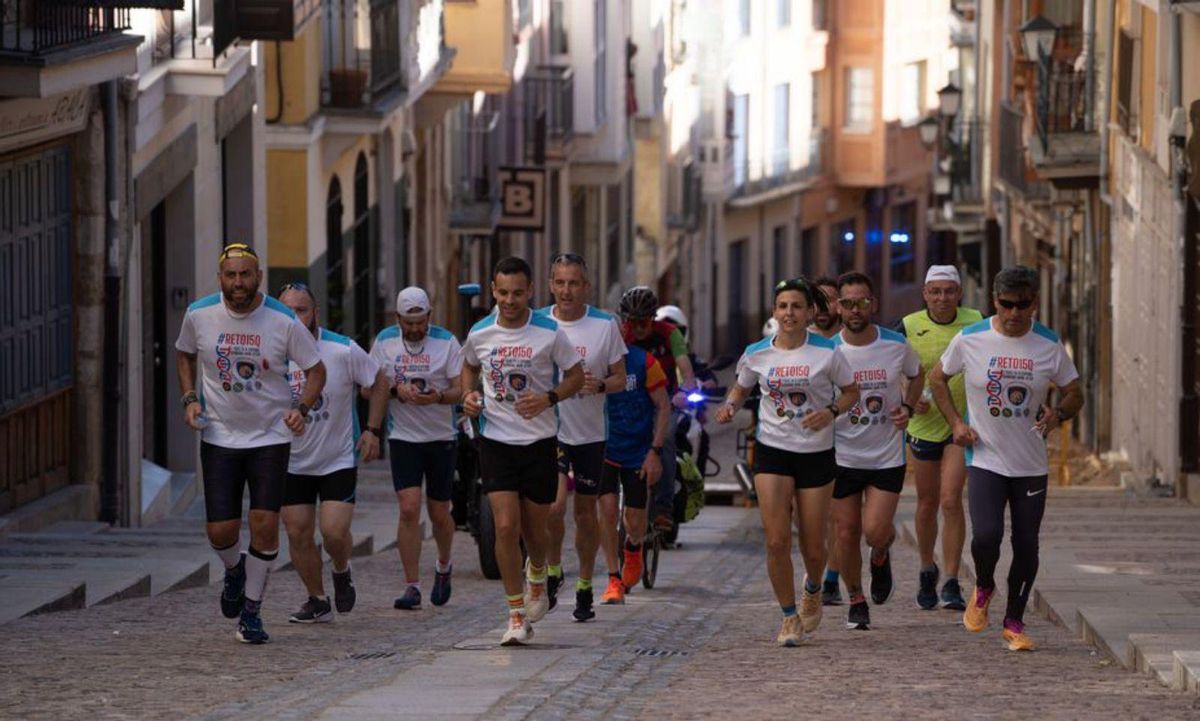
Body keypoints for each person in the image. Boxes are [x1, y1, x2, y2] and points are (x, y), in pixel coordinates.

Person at [175, 243, 326, 644]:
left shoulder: (283, 321)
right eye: (231, 275)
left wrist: (302, 408)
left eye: (246, 275)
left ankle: (252, 612)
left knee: (264, 525)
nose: (238, 283)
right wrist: (190, 399)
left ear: (259, 277)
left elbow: (316, 370)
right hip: (220, 434)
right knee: (220, 531)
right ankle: (234, 571)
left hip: (270, 437)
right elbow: (184, 355)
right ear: (220, 278)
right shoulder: (199, 314)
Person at [930, 266, 1082, 652]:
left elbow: (1075, 392)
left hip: (1031, 463)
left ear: (1035, 303)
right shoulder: (971, 339)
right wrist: (955, 423)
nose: (1015, 313)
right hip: (985, 458)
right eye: (1007, 304)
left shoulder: (1048, 345)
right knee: (986, 536)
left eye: (1023, 305)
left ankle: (1014, 620)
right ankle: (983, 587)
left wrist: (1058, 415)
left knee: (1027, 544)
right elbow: (937, 378)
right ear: (994, 301)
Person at [715, 278, 859, 647]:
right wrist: (730, 404)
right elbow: (742, 386)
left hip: (815, 453)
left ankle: (813, 586)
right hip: (773, 450)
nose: (789, 313)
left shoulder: (828, 352)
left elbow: (851, 393)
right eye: (782, 306)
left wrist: (829, 412)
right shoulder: (757, 352)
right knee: (777, 540)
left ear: (810, 312)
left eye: (797, 306)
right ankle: (788, 616)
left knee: (813, 545)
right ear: (774, 312)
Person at [460, 257, 585, 646]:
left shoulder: (549, 332)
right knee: (504, 526)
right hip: (495, 439)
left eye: (517, 293)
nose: (509, 300)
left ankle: (538, 571)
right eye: (502, 293)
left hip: (539, 440)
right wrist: (470, 395)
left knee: (537, 529)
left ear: (530, 291)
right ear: (493, 291)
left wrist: (549, 398)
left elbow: (576, 376)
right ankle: (515, 614)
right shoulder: (480, 333)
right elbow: (467, 367)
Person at [278, 283, 389, 623]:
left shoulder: (341, 349)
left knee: (333, 533)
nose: (296, 318)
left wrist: (372, 430)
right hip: (290, 460)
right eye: (288, 311)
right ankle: (317, 598)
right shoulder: (270, 350)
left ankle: (341, 569)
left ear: (315, 313)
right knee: (297, 532)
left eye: (302, 310)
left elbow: (380, 380)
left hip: (336, 458)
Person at [829, 272, 923, 630]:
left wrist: (909, 408)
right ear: (838, 307)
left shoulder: (895, 344)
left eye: (862, 302)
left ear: (874, 304)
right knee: (846, 533)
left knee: (875, 530)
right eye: (848, 303)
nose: (856, 309)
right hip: (841, 455)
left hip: (886, 453)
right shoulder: (829, 350)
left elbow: (917, 375)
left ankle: (880, 555)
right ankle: (856, 598)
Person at [536, 254, 627, 620]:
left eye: (574, 283)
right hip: (551, 429)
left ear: (585, 287)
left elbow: (621, 378)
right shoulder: (539, 323)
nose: (566, 291)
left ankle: (586, 585)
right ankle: (555, 568)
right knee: (554, 508)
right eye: (560, 283)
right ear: (550, 285)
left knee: (586, 515)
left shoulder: (605, 325)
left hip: (591, 434)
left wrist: (601, 383)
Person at [369, 287, 466, 610]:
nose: (414, 329)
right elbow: (369, 390)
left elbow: (461, 390)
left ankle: (443, 564)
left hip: (441, 435)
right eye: (408, 323)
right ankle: (411, 585)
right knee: (409, 507)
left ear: (429, 317)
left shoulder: (447, 342)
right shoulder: (384, 342)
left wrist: (437, 396)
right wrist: (397, 391)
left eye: (419, 322)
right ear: (397, 319)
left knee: (439, 511)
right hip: (403, 437)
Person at [896, 265, 983, 611]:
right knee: (927, 502)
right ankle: (925, 568)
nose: (943, 298)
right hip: (923, 426)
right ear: (925, 294)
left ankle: (951, 580)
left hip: (961, 426)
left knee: (950, 500)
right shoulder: (908, 325)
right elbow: (890, 366)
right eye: (936, 291)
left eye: (949, 291)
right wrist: (906, 395)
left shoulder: (976, 321)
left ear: (959, 293)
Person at [598, 293, 674, 605]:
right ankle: (613, 579)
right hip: (603, 448)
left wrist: (655, 450)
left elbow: (664, 406)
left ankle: (633, 547)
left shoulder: (645, 362)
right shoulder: (594, 364)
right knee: (604, 511)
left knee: (634, 519)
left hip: (638, 450)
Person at [619, 287, 698, 533]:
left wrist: (684, 392)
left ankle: (664, 508)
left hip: (664, 402)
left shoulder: (670, 334)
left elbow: (686, 370)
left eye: (643, 322)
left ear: (653, 318)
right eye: (633, 322)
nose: (639, 329)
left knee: (665, 439)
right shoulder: (622, 336)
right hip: (629, 402)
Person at [809, 276, 845, 607]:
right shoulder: (799, 342)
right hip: (809, 442)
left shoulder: (853, 343)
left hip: (850, 440)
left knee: (838, 515)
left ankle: (831, 579)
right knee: (813, 518)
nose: (823, 308)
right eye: (817, 301)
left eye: (830, 300)